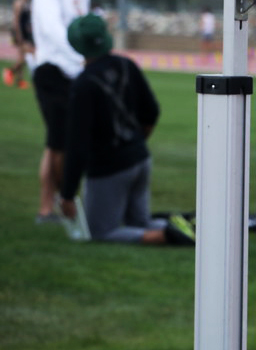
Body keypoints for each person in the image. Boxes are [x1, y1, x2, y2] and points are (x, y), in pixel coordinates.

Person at [56, 14, 196, 245]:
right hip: (139, 158)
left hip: (108, 167)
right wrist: (137, 142)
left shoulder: (83, 85)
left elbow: (77, 144)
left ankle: (169, 236)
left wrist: (68, 194)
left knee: (101, 232)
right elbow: (151, 111)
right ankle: (186, 227)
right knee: (140, 222)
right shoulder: (126, 65)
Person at [30, 0, 98, 223]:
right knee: (59, 142)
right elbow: (52, 30)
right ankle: (54, 205)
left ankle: (54, 205)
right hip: (51, 70)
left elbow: (81, 28)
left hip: (74, 72)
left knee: (61, 142)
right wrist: (78, 57)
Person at [5, 0, 35, 89]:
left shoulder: (28, 2)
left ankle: (19, 80)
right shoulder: (19, 2)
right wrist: (19, 35)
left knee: (21, 57)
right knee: (27, 55)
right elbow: (16, 21)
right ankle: (10, 71)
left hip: (26, 34)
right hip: (20, 34)